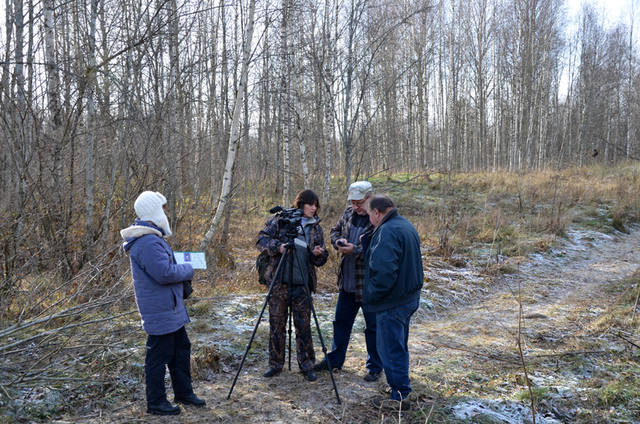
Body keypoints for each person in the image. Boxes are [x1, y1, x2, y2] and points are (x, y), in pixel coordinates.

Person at [120, 191, 206, 416]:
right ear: (153, 211)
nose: (166, 212)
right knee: (158, 357)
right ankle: (156, 402)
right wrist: (188, 268)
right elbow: (164, 273)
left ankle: (184, 393)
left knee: (180, 351)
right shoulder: (147, 241)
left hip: (170, 309)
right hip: (160, 311)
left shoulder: (151, 238)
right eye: (163, 208)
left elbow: (163, 267)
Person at [313, 181, 382, 382]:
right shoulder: (348, 213)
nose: (356, 206)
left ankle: (375, 367)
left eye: (359, 202)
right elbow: (335, 231)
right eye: (352, 202)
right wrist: (338, 242)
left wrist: (356, 250)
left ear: (369, 198)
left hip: (368, 285)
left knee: (373, 328)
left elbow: (379, 247)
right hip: (347, 282)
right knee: (341, 324)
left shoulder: (378, 217)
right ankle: (334, 361)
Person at [257, 189, 328, 381]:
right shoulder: (281, 219)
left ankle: (307, 365)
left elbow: (321, 259)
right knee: (277, 324)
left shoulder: (315, 227)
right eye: (310, 204)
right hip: (279, 281)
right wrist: (278, 247)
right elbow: (261, 239)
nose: (313, 208)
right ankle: (275, 364)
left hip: (302, 283)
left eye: (316, 205)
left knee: (303, 326)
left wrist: (319, 254)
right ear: (300, 203)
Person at [363, 194, 423, 409]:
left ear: (377, 213)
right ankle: (400, 386)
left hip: (393, 302)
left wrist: (373, 295)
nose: (370, 218)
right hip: (407, 297)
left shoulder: (387, 231)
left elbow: (384, 272)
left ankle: (400, 396)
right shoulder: (405, 225)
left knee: (390, 348)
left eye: (370, 214)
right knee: (398, 345)